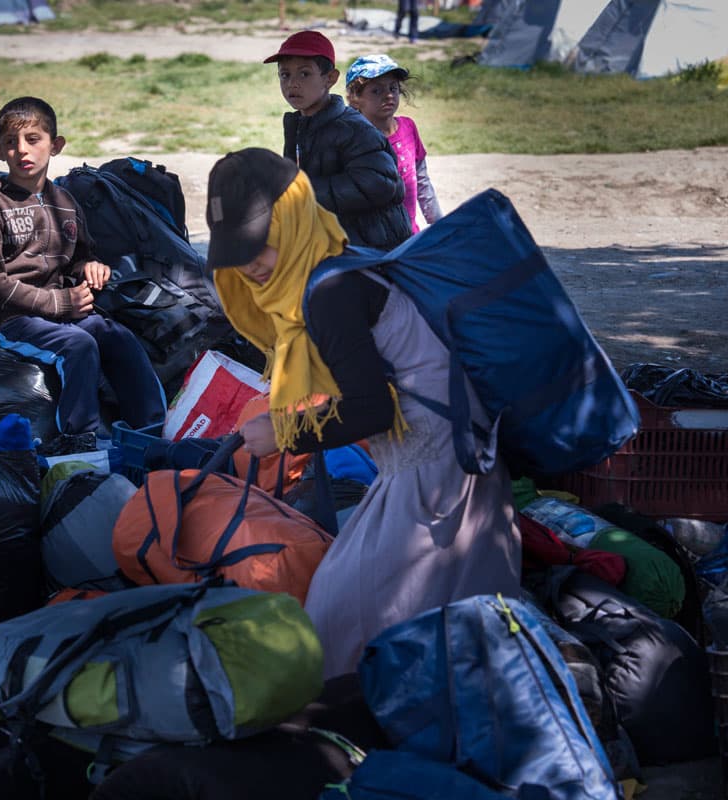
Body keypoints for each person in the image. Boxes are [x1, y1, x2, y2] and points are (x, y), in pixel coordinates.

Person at [204, 147, 520, 678]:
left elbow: (371, 410)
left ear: (294, 218)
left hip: (436, 466)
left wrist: (283, 434)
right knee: (455, 617)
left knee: (339, 614)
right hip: (454, 450)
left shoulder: (327, 293)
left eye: (259, 245)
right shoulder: (331, 261)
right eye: (235, 251)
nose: (248, 264)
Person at [0, 96, 166, 440]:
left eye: (33, 140)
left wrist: (90, 268)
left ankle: (153, 432)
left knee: (117, 336)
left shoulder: (64, 202)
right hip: (2, 317)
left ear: (56, 145)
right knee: (77, 346)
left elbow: (80, 256)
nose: (22, 150)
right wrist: (57, 304)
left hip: (56, 310)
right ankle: (80, 441)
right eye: (11, 143)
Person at [263, 30, 411, 251]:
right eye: (285, 75)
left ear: (330, 79)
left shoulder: (353, 128)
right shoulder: (300, 125)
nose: (292, 83)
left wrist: (305, 192)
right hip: (336, 244)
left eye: (304, 74)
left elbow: (381, 184)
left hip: (373, 250)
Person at [345, 54, 443, 233]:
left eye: (393, 88)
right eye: (377, 91)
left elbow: (421, 180)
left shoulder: (408, 127)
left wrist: (439, 222)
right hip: (371, 239)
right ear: (354, 98)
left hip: (409, 235)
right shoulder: (353, 138)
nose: (389, 95)